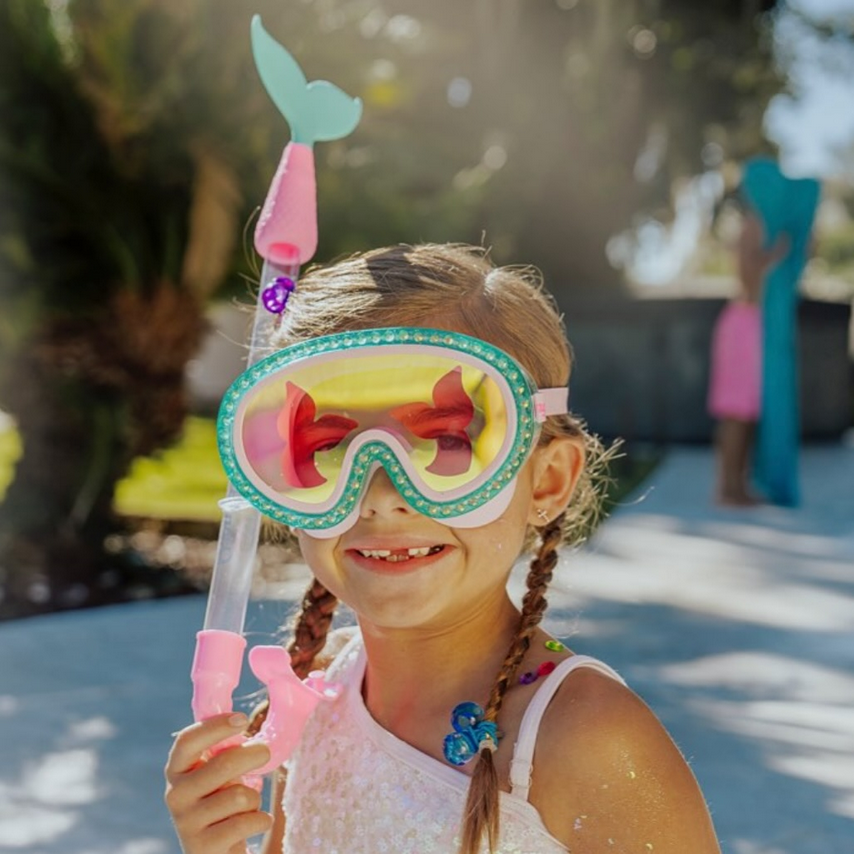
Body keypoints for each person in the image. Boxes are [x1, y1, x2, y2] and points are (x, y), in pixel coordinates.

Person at [165, 244, 721, 854]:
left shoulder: (587, 740)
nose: (381, 496)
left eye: (447, 442)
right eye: (326, 446)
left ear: (547, 480)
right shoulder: (320, 691)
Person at [707, 205, 788, 506]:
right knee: (736, 413)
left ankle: (737, 486)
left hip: (751, 325)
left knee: (747, 414)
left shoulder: (765, 222)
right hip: (744, 325)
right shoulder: (753, 224)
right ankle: (729, 489)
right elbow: (748, 278)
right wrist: (774, 256)